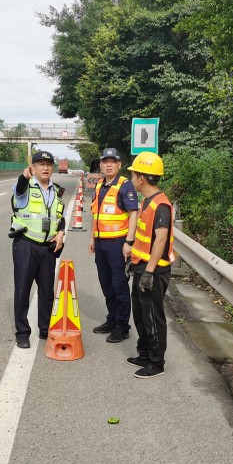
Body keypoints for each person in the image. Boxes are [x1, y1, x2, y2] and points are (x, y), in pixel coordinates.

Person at [10, 151, 66, 349]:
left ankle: (45, 328)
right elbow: (18, 189)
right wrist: (23, 177)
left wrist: (60, 232)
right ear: (32, 167)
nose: (45, 167)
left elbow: (59, 216)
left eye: (49, 164)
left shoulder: (57, 191)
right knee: (23, 290)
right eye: (40, 164)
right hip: (26, 244)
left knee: (46, 291)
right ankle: (23, 332)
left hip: (48, 248)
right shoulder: (25, 187)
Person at [126, 152, 174, 379]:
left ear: (141, 178)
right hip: (141, 266)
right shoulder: (147, 201)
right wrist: (134, 260)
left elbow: (161, 239)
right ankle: (144, 353)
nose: (132, 179)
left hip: (153, 270)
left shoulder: (161, 205)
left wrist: (149, 272)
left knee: (153, 317)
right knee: (140, 314)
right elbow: (143, 239)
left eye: (133, 175)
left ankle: (156, 363)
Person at [88, 147, 139, 343]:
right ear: (101, 165)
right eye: (105, 161)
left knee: (119, 285)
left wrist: (129, 241)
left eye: (113, 161)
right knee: (106, 284)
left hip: (118, 243)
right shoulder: (100, 185)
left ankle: (122, 327)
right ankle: (112, 319)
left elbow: (133, 213)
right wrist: (92, 238)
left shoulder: (125, 185)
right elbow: (95, 213)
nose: (108, 165)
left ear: (119, 164)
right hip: (101, 243)